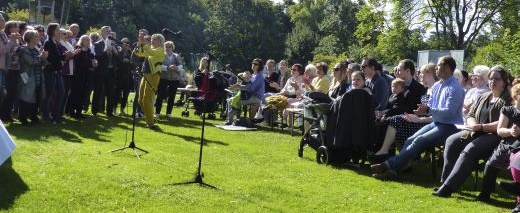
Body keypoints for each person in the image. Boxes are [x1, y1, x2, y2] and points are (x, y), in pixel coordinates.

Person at [370, 55, 465, 179]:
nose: (436, 67)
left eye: (439, 65)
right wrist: (422, 111)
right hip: (436, 122)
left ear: (447, 68)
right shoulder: (437, 86)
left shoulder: (455, 88)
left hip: (450, 126)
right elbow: (431, 108)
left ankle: (388, 165)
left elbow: (449, 112)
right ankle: (393, 171)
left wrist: (428, 110)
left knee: (419, 141)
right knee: (410, 140)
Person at [433, 66, 512, 197]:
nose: (492, 82)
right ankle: (445, 181)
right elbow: (470, 114)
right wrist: (473, 124)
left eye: (496, 79)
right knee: (451, 141)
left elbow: (503, 123)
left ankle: (448, 188)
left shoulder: (509, 99)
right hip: (476, 131)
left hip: (496, 135)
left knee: (471, 149)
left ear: (504, 81)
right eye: (490, 79)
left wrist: (481, 127)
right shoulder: (483, 96)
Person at [372, 63, 437, 160]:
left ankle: (394, 156)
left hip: (421, 121)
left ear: (408, 71)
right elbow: (392, 104)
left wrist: (418, 115)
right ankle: (385, 153)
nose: (396, 72)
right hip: (414, 118)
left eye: (399, 70)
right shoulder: (427, 89)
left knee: (394, 121)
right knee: (387, 120)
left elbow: (412, 108)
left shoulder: (421, 88)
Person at [477, 80, 520, 202]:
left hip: (519, 146)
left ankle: (518, 200)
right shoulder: (507, 110)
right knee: (490, 164)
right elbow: (500, 130)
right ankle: (486, 193)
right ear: (516, 96)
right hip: (507, 142)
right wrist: (510, 132)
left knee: (517, 163)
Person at [42, 23, 73, 124]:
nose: (59, 31)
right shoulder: (48, 43)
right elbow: (49, 58)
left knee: (61, 93)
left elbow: (58, 58)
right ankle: (46, 117)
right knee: (48, 95)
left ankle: (56, 116)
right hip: (51, 72)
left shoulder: (56, 43)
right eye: (57, 29)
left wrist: (65, 56)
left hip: (57, 72)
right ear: (52, 31)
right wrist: (63, 57)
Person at [134, 33, 165, 128]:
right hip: (146, 75)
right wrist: (139, 43)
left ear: (160, 41)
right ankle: (151, 116)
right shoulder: (150, 48)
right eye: (151, 39)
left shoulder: (160, 50)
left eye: (154, 39)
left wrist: (144, 43)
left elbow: (151, 52)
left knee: (147, 99)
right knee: (140, 100)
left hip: (154, 76)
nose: (152, 41)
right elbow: (138, 53)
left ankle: (150, 123)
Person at [17, 30, 48, 125]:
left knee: (36, 98)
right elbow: (31, 61)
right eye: (36, 36)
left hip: (38, 78)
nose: (38, 38)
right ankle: (23, 118)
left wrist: (44, 58)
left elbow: (44, 63)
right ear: (30, 38)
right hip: (27, 78)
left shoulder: (36, 50)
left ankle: (33, 117)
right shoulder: (23, 50)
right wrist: (41, 57)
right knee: (25, 98)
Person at [225, 58, 265, 124]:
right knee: (230, 100)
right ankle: (231, 119)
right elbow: (247, 86)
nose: (253, 65)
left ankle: (232, 120)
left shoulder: (259, 76)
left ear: (260, 66)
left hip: (256, 97)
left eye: (256, 64)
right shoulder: (253, 75)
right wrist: (238, 86)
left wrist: (238, 87)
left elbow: (251, 88)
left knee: (234, 101)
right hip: (249, 95)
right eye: (253, 63)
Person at [69, 35, 96, 120]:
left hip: (86, 76)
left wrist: (94, 63)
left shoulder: (89, 51)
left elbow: (92, 61)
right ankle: (72, 112)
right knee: (76, 94)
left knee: (83, 94)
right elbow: (79, 63)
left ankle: (79, 112)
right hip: (77, 75)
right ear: (81, 41)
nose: (88, 42)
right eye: (86, 40)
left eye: (89, 40)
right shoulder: (78, 50)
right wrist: (90, 64)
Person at [155, 41, 182, 118]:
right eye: (166, 47)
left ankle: (168, 113)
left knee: (172, 96)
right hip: (164, 78)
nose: (168, 48)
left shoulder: (176, 56)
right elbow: (159, 65)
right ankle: (157, 112)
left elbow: (181, 66)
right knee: (160, 95)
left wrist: (176, 67)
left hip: (174, 79)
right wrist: (167, 67)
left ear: (172, 48)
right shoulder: (162, 55)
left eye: (169, 47)